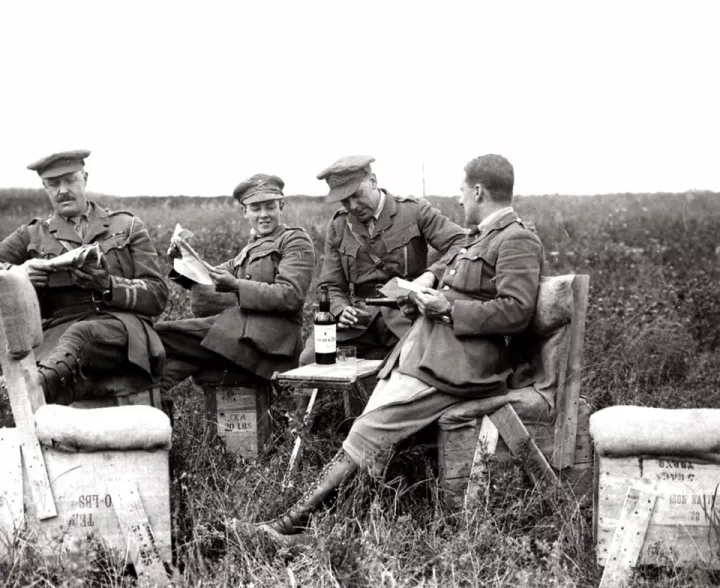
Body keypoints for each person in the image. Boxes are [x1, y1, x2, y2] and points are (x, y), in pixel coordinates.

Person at [259, 154, 545, 541]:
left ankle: (294, 525)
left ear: (478, 191)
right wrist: (418, 300)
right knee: (365, 420)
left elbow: (515, 311)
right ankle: (322, 521)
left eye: (462, 192)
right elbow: (331, 284)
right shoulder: (486, 236)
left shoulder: (514, 238)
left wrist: (443, 303)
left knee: (370, 426)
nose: (459, 201)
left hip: (456, 362)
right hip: (431, 350)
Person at [0, 150, 168, 404]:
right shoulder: (32, 234)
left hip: (121, 329)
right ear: (45, 187)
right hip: (58, 333)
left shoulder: (126, 226)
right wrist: (20, 274)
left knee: (83, 333)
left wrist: (109, 285)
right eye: (53, 184)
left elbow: (157, 295)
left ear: (85, 178)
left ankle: (33, 392)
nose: (62, 190)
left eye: (70, 180)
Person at [155, 174, 315, 409]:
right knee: (161, 375)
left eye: (270, 206)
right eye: (255, 208)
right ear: (244, 212)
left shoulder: (294, 241)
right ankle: (158, 432)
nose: (264, 214)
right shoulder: (247, 250)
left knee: (158, 334)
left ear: (281, 206)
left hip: (272, 341)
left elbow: (290, 296)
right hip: (241, 337)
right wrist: (184, 260)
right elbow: (209, 276)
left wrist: (237, 286)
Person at [299, 155, 467, 364]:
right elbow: (330, 284)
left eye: (357, 195)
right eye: (345, 200)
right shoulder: (339, 225)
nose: (353, 205)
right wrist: (340, 309)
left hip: (407, 314)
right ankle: (305, 398)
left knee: (428, 361)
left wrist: (430, 275)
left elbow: (463, 241)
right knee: (309, 357)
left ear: (373, 181)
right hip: (360, 322)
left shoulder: (414, 211)